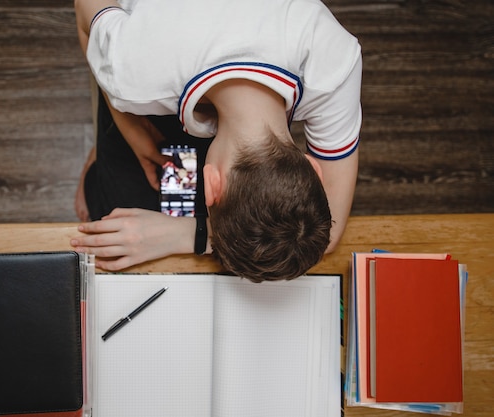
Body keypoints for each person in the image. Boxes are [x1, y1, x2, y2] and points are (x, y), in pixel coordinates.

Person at [71, 0, 362, 282]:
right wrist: (128, 123)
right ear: (210, 183)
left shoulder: (335, 61)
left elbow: (329, 232)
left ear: (314, 168)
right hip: (151, 68)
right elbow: (85, 6)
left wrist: (189, 234)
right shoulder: (133, 69)